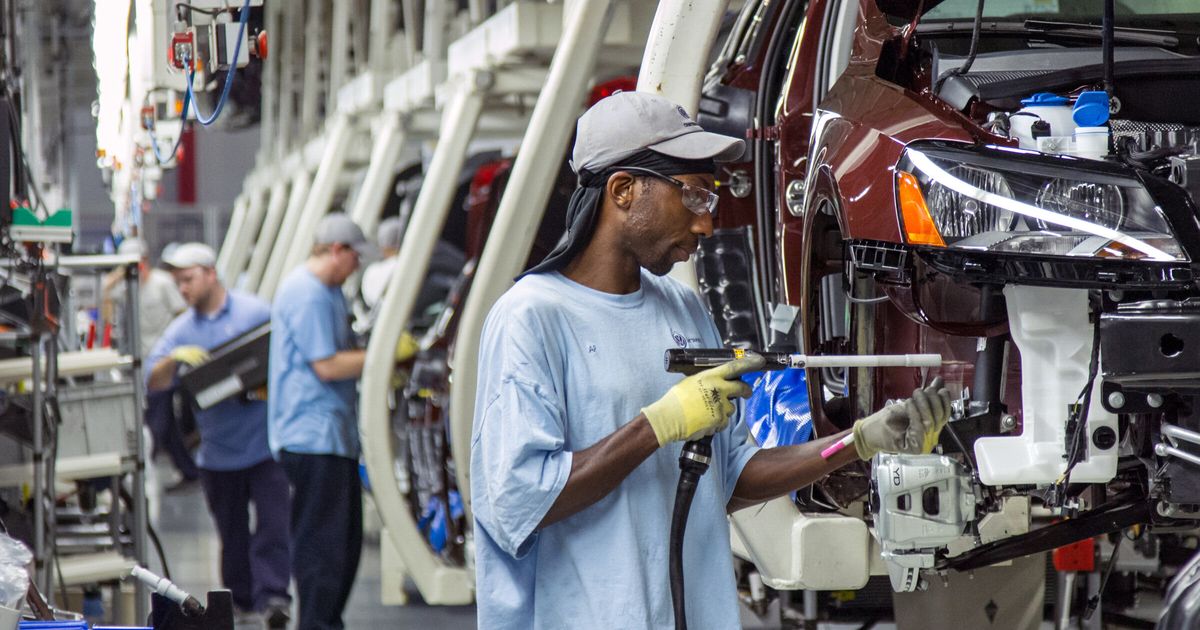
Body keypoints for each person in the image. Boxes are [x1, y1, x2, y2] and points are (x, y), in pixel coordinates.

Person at [471, 91, 953, 628]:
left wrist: (858, 441)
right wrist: (658, 425)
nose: (706, 225)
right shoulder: (532, 317)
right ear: (624, 190)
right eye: (695, 197)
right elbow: (519, 499)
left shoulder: (681, 307)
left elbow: (730, 475)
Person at [145, 243, 292, 628]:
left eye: (189, 279)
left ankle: (274, 597)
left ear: (211, 273)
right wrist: (174, 360)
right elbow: (153, 381)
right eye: (178, 283)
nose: (184, 289)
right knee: (232, 535)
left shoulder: (255, 312)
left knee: (274, 526)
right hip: (218, 452)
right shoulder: (181, 331)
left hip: (265, 445)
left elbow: (287, 357)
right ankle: (241, 603)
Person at [268, 213, 374, 630]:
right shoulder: (308, 294)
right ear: (336, 251)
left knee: (343, 545)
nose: (357, 268)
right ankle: (316, 625)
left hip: (333, 436)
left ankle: (326, 621)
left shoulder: (330, 292)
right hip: (312, 438)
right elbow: (328, 366)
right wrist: (384, 355)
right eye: (355, 259)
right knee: (323, 547)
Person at [102, 237, 198, 489]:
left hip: (164, 363)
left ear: (145, 261)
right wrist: (113, 280)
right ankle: (189, 471)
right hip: (141, 364)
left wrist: (178, 353)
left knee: (158, 420)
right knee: (165, 423)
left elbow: (182, 315)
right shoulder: (126, 286)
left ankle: (143, 473)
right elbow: (106, 306)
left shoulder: (163, 284)